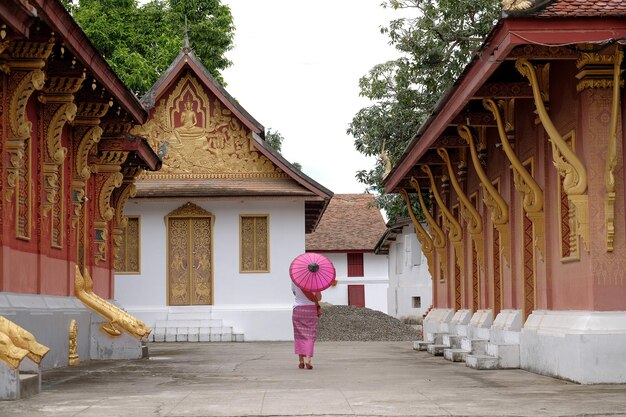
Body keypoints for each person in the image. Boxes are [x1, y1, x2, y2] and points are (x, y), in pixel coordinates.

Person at [291, 282, 321, 370]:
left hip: (298, 309)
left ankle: (301, 361)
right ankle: (308, 359)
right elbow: (318, 297)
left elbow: (294, 293)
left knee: (299, 335)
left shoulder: (295, 280)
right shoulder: (315, 281)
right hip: (311, 310)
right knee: (310, 335)